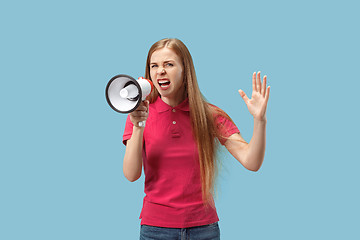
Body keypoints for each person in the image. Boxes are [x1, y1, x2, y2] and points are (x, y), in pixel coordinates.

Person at [122, 38, 270, 240]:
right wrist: (139, 124)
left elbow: (251, 161)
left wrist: (259, 120)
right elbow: (131, 174)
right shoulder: (138, 114)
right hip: (155, 229)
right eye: (154, 66)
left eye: (169, 64)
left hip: (204, 229)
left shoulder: (209, 115)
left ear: (185, 70)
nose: (160, 71)